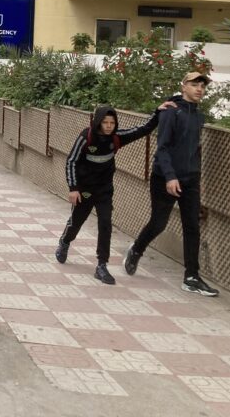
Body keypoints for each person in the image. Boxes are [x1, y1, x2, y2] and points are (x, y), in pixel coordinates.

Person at [123, 72, 219, 297]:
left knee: (192, 227)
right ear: (183, 86)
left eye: (202, 86)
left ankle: (191, 277)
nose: (199, 89)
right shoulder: (170, 111)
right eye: (194, 85)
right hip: (164, 177)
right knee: (158, 223)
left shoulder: (198, 116)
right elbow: (163, 147)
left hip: (191, 179)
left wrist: (194, 175)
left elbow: (194, 148)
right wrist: (170, 177)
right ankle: (136, 249)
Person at [56, 104, 163, 284]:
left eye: (112, 122)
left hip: (104, 190)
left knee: (105, 223)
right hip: (85, 191)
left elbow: (143, 130)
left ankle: (101, 265)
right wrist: (73, 188)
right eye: (105, 122)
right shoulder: (86, 137)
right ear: (98, 122)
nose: (108, 126)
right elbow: (72, 161)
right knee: (76, 222)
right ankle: (65, 241)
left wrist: (159, 112)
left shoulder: (117, 138)